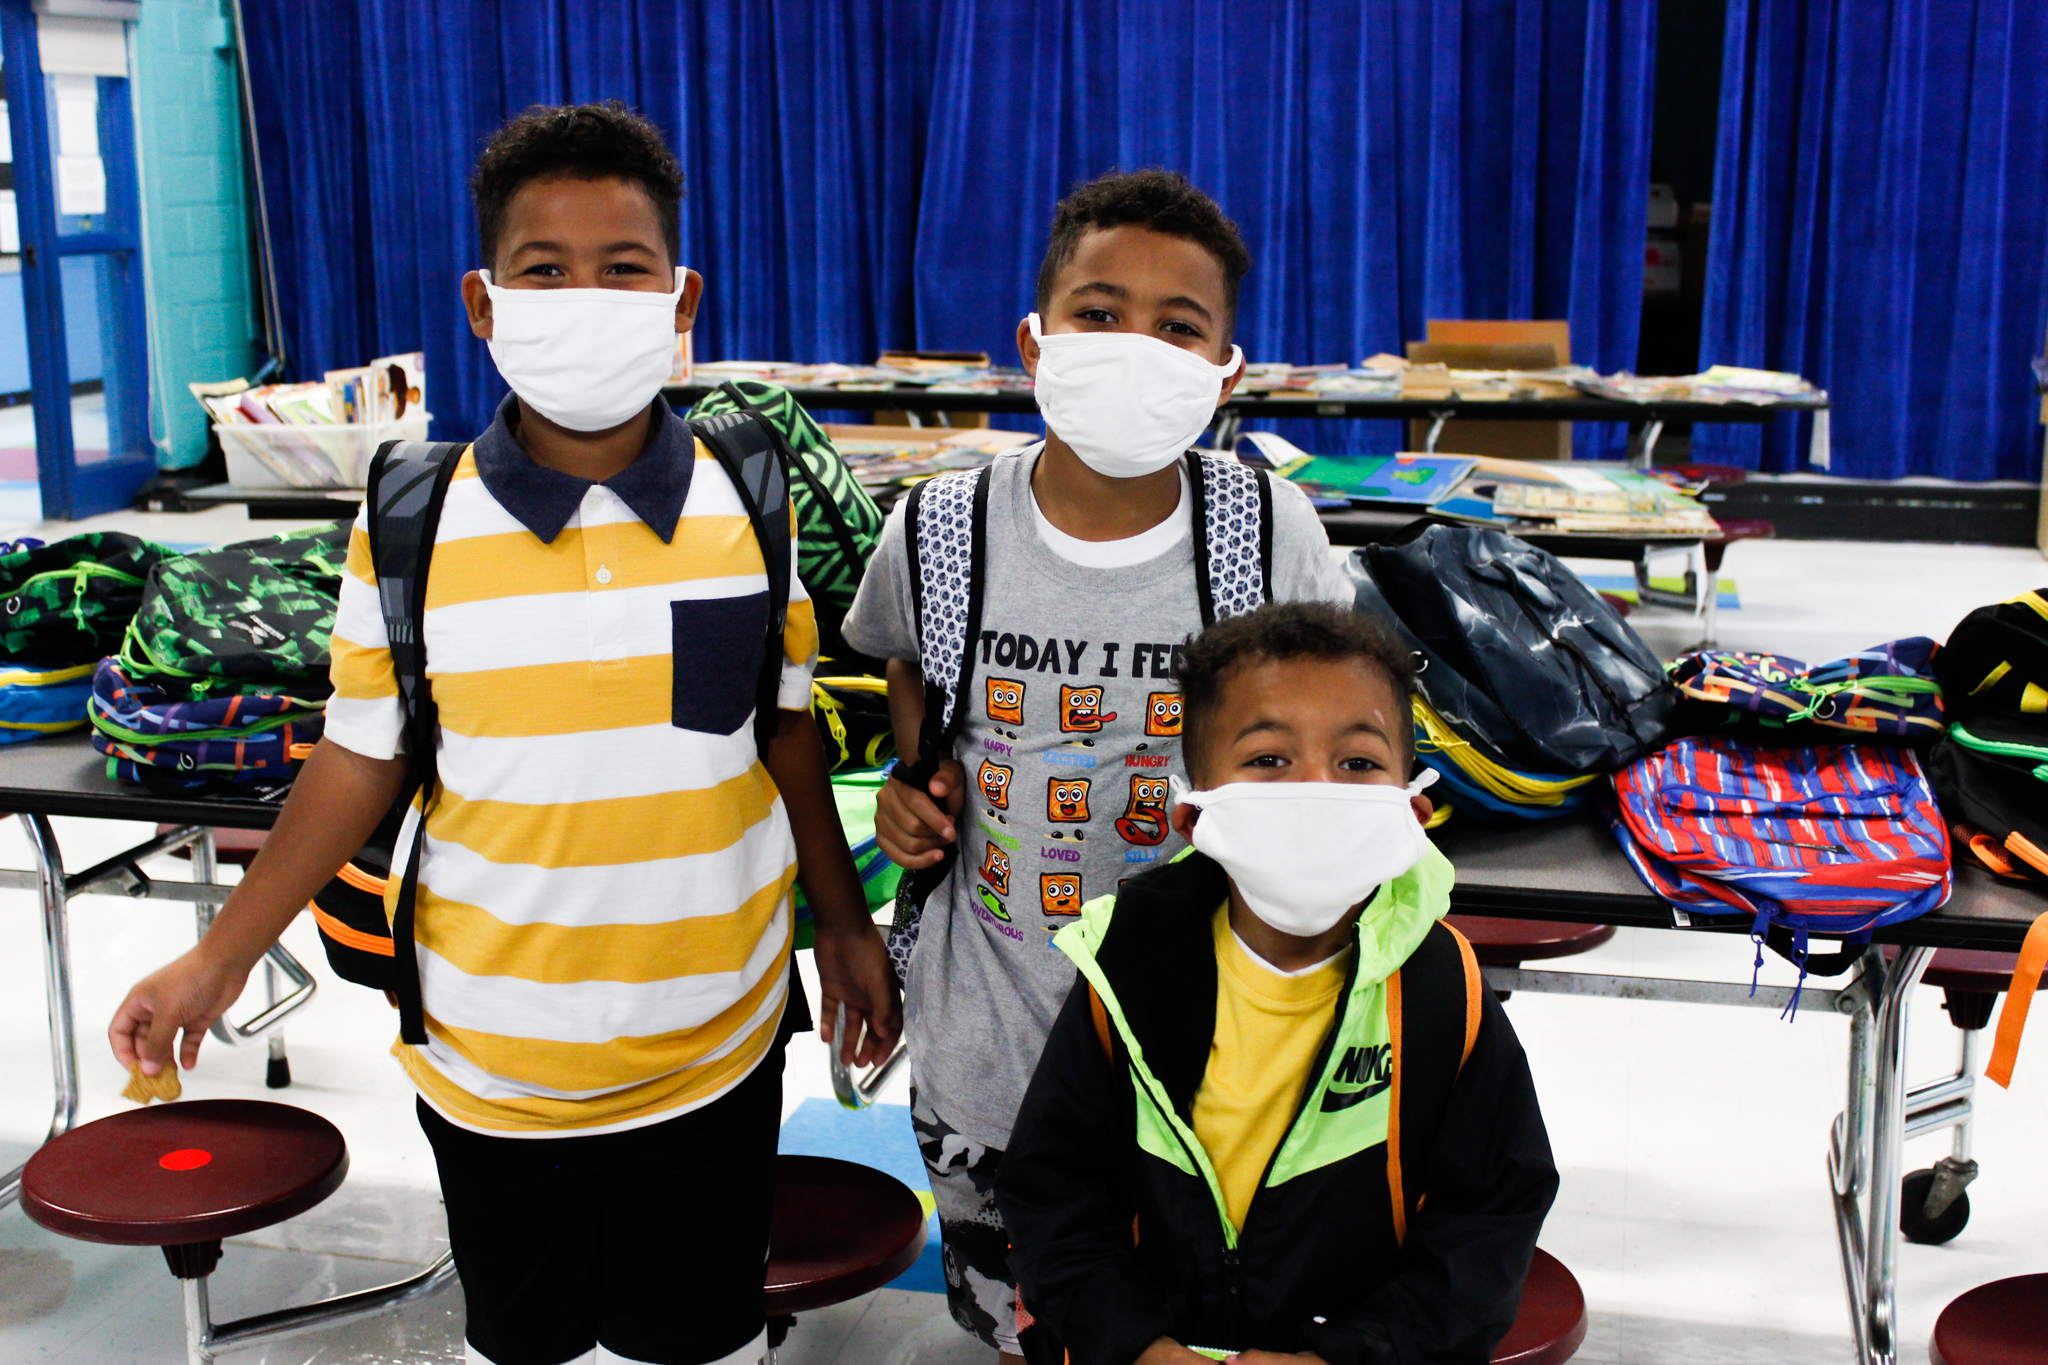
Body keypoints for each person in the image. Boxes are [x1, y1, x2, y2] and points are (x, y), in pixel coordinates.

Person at [107, 102, 899, 1365]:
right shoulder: (414, 516)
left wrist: (845, 926)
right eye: (545, 271)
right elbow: (360, 755)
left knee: (695, 1340)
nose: (585, 296)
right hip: (490, 1051)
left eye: (623, 268)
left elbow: (786, 727)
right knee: (523, 1343)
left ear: (679, 297)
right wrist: (218, 957)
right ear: (483, 305)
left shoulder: (748, 495)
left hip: (717, 1037)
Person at [841, 169, 1354, 1364]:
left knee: (1186, 1324)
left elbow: (1340, 725)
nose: (1133, 346)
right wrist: (924, 782)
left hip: (1211, 1060)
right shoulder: (940, 526)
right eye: (1098, 312)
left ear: (1226, 370)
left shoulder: (1267, 530)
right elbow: (908, 670)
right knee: (1031, 1328)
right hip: (991, 1043)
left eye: (1179, 326)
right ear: (1034, 341)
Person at [996, 601, 1557, 1365]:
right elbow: (1052, 1190)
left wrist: (1349, 1355)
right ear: (1195, 816)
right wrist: (1134, 1342)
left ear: (1412, 812)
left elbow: (1489, 1222)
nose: (1315, 790)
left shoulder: (1443, 992)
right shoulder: (1121, 975)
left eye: (1358, 762)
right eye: (1268, 759)